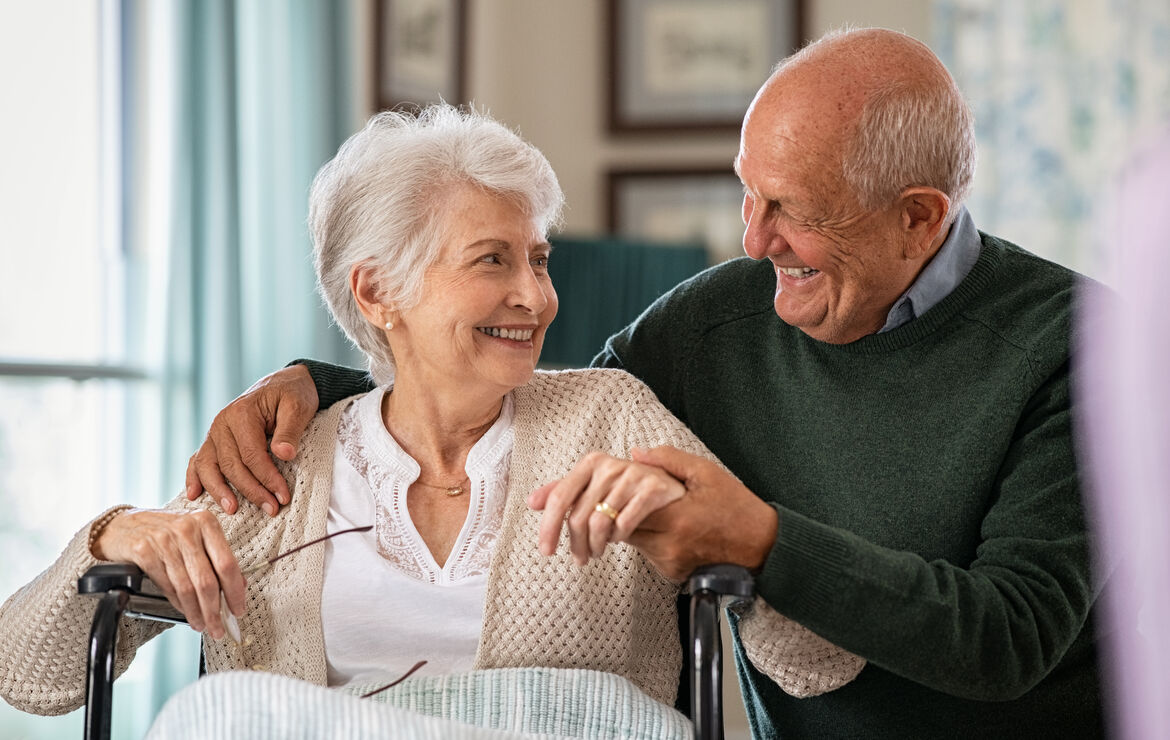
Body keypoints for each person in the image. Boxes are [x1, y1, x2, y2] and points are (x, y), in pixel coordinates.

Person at [185, 29, 1103, 739]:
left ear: (919, 219)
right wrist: (323, 392)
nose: (754, 240)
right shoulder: (721, 320)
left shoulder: (1083, 345)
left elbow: (1011, 635)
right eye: (749, 192)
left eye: (793, 211)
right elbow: (541, 407)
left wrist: (763, 540)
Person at [0, 105, 860, 719]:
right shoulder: (283, 465)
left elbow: (816, 661)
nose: (534, 295)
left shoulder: (609, 415)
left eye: (538, 257)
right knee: (219, 714)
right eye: (492, 260)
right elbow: (25, 673)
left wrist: (732, 542)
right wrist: (111, 536)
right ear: (379, 292)